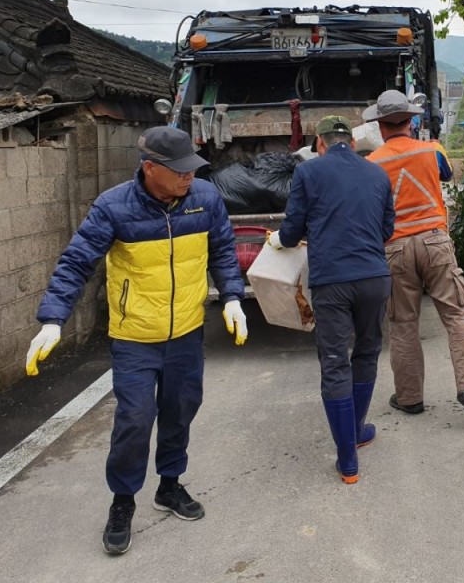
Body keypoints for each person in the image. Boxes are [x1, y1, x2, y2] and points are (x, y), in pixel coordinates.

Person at [26, 126, 248, 557]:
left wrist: (233, 297)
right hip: (134, 338)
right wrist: (53, 320)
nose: (189, 177)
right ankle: (123, 501)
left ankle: (169, 485)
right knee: (135, 418)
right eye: (180, 171)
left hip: (185, 331)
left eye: (192, 169)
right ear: (150, 168)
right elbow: (76, 263)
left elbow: (222, 249)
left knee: (181, 410)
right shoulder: (113, 207)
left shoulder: (204, 198)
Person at [266, 115, 394, 484]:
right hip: (374, 278)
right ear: (350, 142)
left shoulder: (308, 173)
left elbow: (291, 232)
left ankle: (348, 461)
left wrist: (282, 239)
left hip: (332, 282)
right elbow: (387, 228)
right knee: (367, 351)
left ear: (320, 143)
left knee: (336, 362)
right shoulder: (377, 173)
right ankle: (356, 431)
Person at [363, 90, 464, 421]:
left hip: (395, 249)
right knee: (455, 314)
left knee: (403, 323)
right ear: (411, 121)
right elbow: (447, 175)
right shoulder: (431, 151)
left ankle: (409, 398)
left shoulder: (370, 164)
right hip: (435, 242)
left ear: (379, 126)